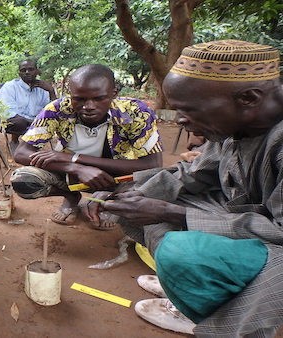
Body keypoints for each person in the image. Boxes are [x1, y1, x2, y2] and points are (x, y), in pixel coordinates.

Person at [83, 40, 283, 337]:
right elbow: (193, 173)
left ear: (249, 98)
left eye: (188, 110)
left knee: (183, 252)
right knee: (143, 201)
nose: (179, 120)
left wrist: (174, 213)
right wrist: (124, 192)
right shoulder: (240, 122)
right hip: (247, 215)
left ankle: (207, 312)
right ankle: (186, 286)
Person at [11, 64, 162, 229]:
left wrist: (75, 158)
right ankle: (71, 197)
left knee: (153, 185)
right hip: (69, 173)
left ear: (114, 94)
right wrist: (75, 167)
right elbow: (21, 152)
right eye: (79, 99)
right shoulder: (57, 109)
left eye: (99, 99)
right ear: (70, 95)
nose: (89, 106)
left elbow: (152, 164)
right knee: (24, 179)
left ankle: (107, 201)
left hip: (117, 176)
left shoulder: (136, 112)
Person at [0, 59, 56, 151]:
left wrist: (51, 91)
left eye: (31, 69)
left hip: (36, 121)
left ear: (37, 71)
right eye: (23, 70)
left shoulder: (44, 88)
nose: (27, 72)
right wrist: (32, 122)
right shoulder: (10, 87)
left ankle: (31, 143)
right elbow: (7, 112)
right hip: (16, 121)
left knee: (53, 120)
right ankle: (15, 141)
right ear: (19, 74)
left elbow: (53, 110)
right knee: (18, 122)